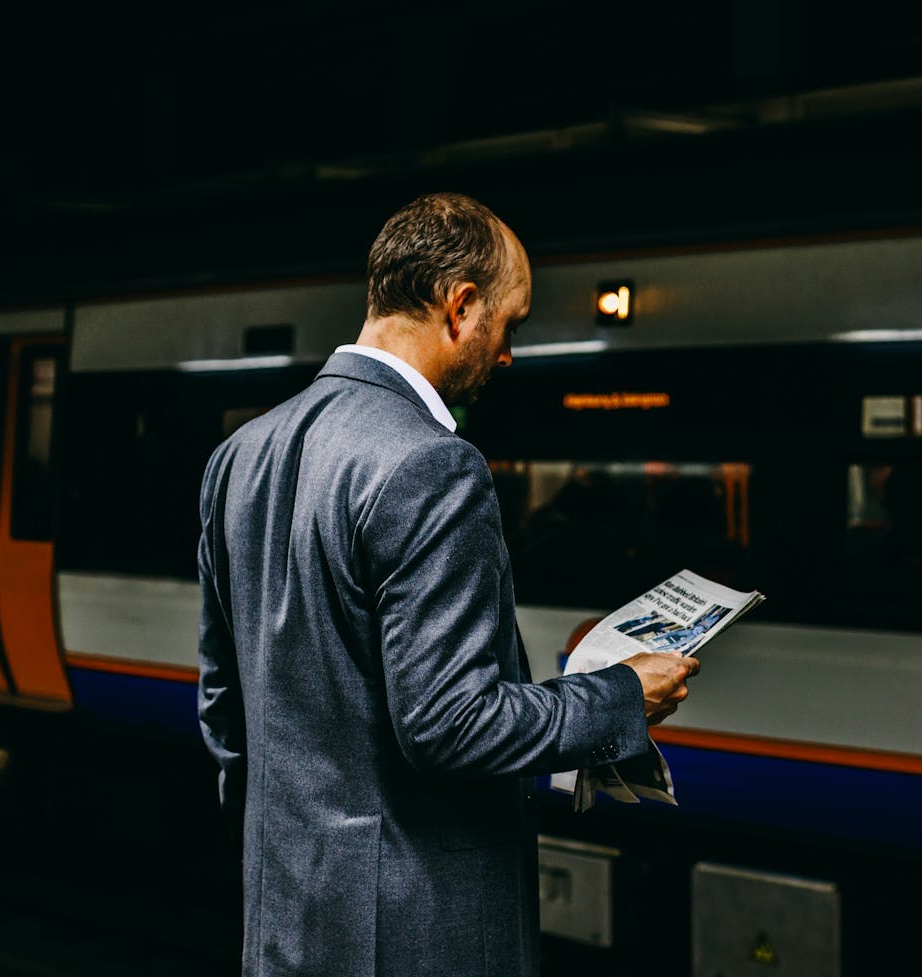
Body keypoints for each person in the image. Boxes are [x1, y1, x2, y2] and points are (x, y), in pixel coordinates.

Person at [197, 192, 698, 977]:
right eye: (510, 325)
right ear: (460, 306)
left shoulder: (240, 455)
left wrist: (298, 860)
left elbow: (225, 713)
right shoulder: (432, 461)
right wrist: (621, 695)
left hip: (285, 922)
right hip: (415, 937)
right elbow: (450, 724)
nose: (508, 355)